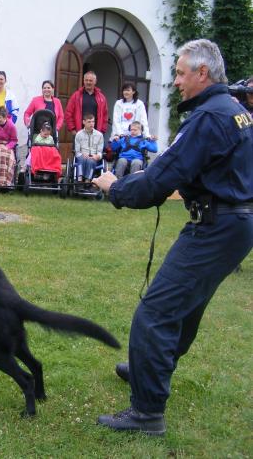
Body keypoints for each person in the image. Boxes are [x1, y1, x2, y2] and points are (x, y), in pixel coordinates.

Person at [93, 39, 253, 436]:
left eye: (181, 73)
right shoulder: (237, 112)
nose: (176, 82)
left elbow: (159, 182)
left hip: (218, 225)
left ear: (203, 73)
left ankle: (147, 414)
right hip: (234, 224)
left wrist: (115, 188)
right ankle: (148, 369)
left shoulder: (209, 118)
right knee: (185, 308)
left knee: (156, 313)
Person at [65, 71, 109, 135]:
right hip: (79, 133)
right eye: (86, 80)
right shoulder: (76, 96)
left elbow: (105, 115)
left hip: (96, 134)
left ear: (95, 81)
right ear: (83, 81)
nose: (88, 82)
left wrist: (102, 131)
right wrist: (72, 129)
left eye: (91, 80)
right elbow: (68, 113)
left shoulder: (101, 98)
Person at [73, 113, 103, 185]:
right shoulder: (79, 134)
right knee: (81, 158)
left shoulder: (99, 135)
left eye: (93, 121)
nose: (91, 124)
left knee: (90, 161)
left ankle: (87, 180)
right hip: (82, 155)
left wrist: (97, 156)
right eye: (89, 122)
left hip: (93, 157)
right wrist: (82, 154)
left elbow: (100, 152)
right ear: (84, 122)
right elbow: (77, 151)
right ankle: (79, 180)